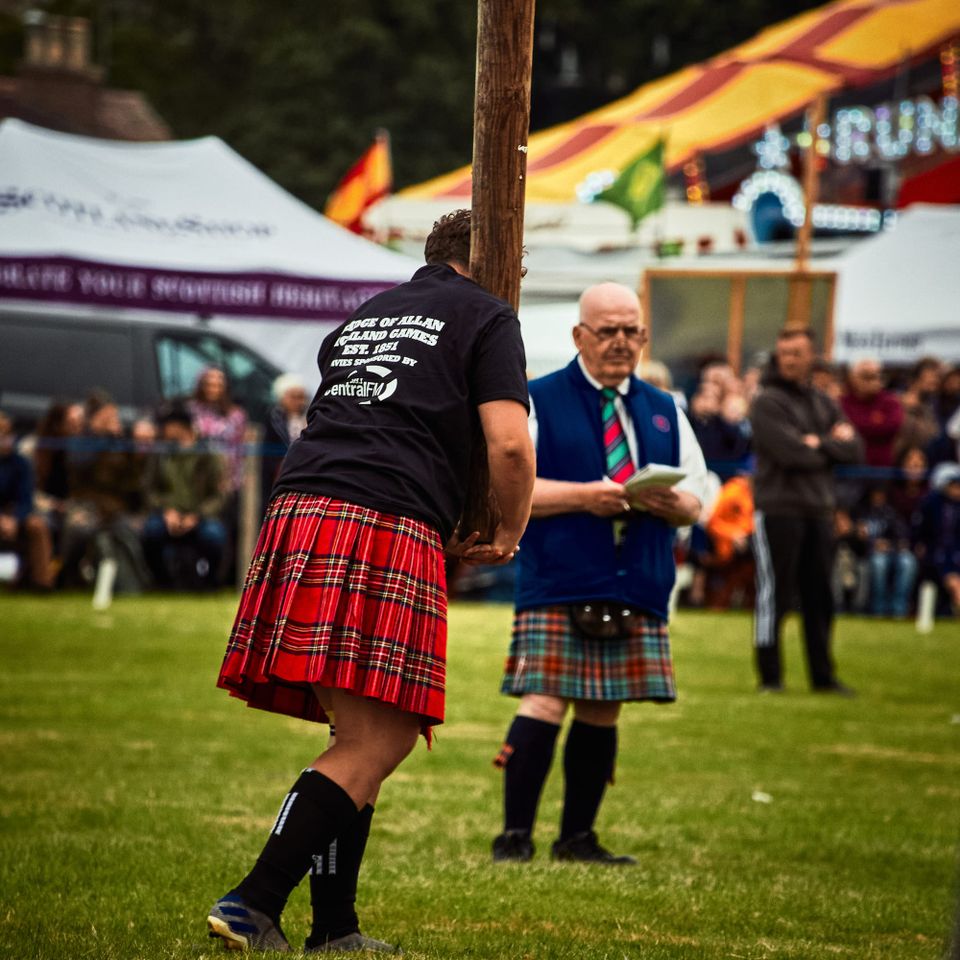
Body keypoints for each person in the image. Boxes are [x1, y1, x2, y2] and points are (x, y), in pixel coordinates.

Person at [207, 209, 535, 952]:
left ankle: (334, 929)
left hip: (302, 510)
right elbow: (510, 446)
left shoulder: (366, 315)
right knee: (374, 742)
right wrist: (509, 532)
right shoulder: (489, 316)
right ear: (498, 259)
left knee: (355, 732)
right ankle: (251, 902)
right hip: (382, 519)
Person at [491, 282, 708, 865]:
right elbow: (512, 490)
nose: (620, 342)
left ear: (643, 335)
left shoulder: (666, 410)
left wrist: (669, 503)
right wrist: (587, 496)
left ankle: (577, 839)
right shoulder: (537, 399)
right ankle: (514, 837)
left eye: (630, 331)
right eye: (607, 331)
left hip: (636, 576)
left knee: (603, 707)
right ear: (578, 335)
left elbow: (697, 498)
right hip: (560, 575)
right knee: (542, 701)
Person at [750, 328, 863, 693]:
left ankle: (823, 676)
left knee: (820, 596)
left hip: (818, 509)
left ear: (812, 356)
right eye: (784, 352)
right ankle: (770, 677)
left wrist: (818, 443)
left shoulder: (823, 401)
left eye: (797, 353)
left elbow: (855, 449)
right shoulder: (767, 401)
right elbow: (791, 453)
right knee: (775, 595)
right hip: (778, 508)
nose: (789, 359)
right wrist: (827, 445)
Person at [142, 406, 227, 589]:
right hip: (167, 514)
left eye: (166, 425)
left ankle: (209, 583)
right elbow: (150, 490)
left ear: (178, 426)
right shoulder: (161, 454)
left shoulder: (209, 454)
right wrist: (166, 511)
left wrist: (197, 516)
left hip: (200, 516)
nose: (162, 429)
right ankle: (162, 582)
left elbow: (219, 495)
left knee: (214, 536)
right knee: (151, 531)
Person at [0, 410, 55, 589]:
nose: (4, 439)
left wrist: (15, 518)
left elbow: (26, 498)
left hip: (14, 515)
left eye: (7, 434)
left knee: (37, 525)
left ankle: (42, 583)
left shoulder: (21, 463)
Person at [840, 359, 903, 469]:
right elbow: (838, 429)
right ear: (853, 378)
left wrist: (854, 428)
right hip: (850, 467)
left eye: (876, 376)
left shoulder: (890, 402)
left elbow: (891, 427)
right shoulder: (842, 402)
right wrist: (873, 425)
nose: (872, 381)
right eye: (866, 376)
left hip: (881, 468)